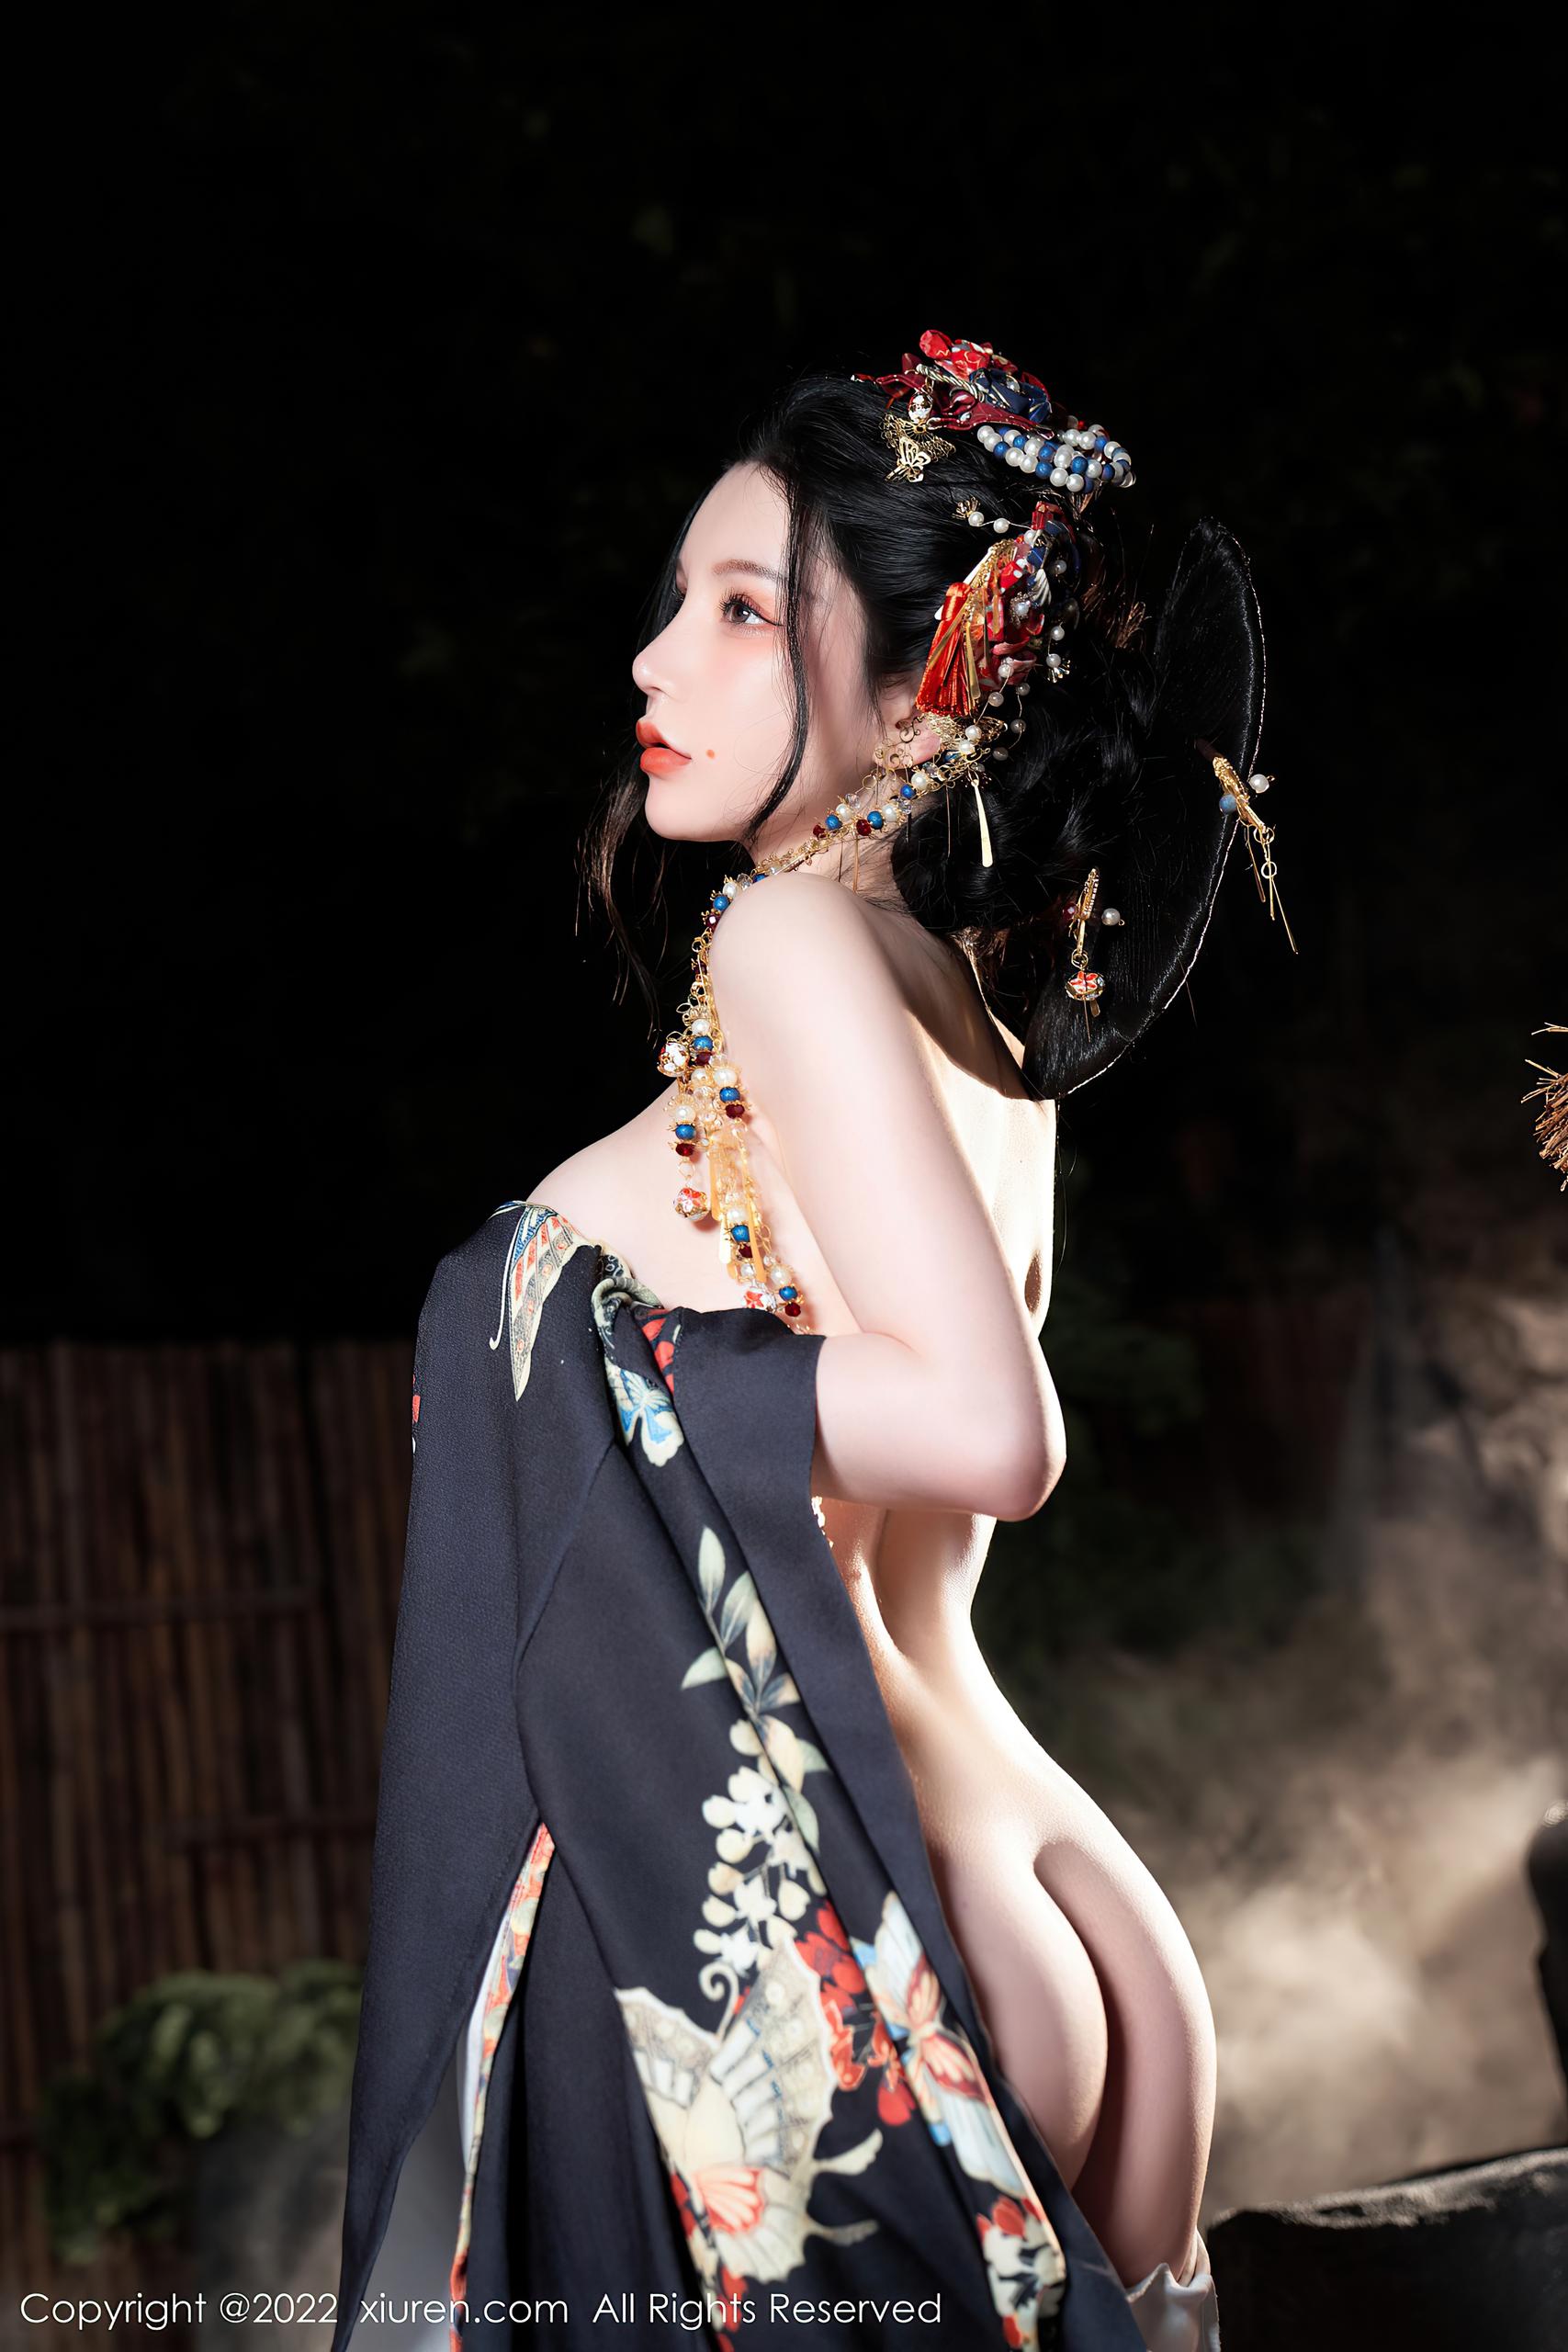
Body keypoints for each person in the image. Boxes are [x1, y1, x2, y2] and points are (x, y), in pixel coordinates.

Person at [333, 332, 1275, 2352]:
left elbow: (985, 1427)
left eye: (745, 612)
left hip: (847, 1902)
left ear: (927, 683)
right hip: (1056, 1882)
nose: (657, 660)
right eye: (676, 601)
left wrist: (610, 1367)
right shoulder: (984, 1022)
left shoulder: (787, 941)